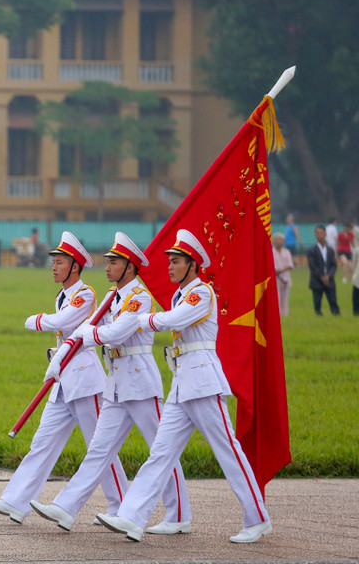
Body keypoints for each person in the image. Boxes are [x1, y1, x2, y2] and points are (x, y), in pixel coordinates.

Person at [97, 229, 271, 544]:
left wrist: (141, 320)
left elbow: (173, 320)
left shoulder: (200, 293)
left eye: (176, 262)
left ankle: (257, 518)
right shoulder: (181, 294)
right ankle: (133, 517)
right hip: (182, 385)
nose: (170, 267)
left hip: (203, 383)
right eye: (170, 262)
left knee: (227, 451)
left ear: (192, 265)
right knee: (160, 453)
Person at [32, 232, 191, 535]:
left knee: (161, 449)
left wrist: (83, 334)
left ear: (130, 267)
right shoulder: (110, 297)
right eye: (107, 261)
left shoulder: (139, 297)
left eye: (114, 262)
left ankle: (179, 513)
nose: (107, 267)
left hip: (140, 379)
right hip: (116, 381)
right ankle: (66, 508)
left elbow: (114, 333)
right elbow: (89, 328)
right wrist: (67, 349)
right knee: (99, 450)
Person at [0, 232, 127, 526]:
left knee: (99, 445)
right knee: (43, 441)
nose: (54, 267)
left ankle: (121, 505)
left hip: (85, 380)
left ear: (74, 266)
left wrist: (35, 320)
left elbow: (60, 323)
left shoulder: (85, 295)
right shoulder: (63, 295)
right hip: (63, 378)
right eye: (54, 262)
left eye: (59, 262)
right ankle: (16, 501)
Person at [307, 225, 339, 315]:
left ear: (325, 234)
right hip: (317, 280)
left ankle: (336, 317)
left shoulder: (330, 250)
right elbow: (312, 266)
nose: (320, 235)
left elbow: (333, 265)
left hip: (329, 279)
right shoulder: (311, 250)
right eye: (317, 233)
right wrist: (321, 276)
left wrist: (328, 275)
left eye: (321, 233)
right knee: (317, 303)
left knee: (333, 301)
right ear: (315, 235)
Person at [272, 233, 293, 317]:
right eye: (276, 239)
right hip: (275, 278)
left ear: (283, 241)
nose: (278, 241)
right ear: (273, 241)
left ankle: (285, 314)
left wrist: (281, 270)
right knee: (276, 298)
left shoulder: (286, 252)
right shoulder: (270, 252)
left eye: (280, 239)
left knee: (285, 298)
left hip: (285, 277)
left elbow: (290, 265)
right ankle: (277, 315)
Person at [337, 220, 355, 284]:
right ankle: (344, 278)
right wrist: (336, 252)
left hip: (348, 251)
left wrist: (355, 250)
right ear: (345, 227)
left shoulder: (351, 235)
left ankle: (348, 279)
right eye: (347, 228)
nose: (348, 229)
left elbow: (352, 244)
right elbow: (337, 243)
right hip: (341, 251)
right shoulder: (340, 234)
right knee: (345, 263)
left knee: (351, 267)